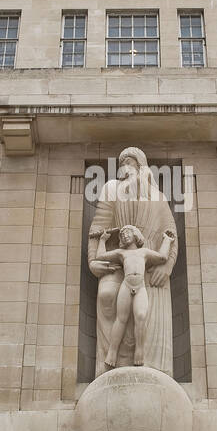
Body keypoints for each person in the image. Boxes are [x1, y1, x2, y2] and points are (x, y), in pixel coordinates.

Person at [87, 147, 178, 377]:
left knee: (142, 313)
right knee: (107, 294)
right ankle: (111, 363)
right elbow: (98, 228)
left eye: (130, 162)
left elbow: (171, 233)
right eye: (122, 163)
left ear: (141, 166)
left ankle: (148, 364)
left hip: (149, 266)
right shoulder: (111, 189)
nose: (125, 167)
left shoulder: (157, 196)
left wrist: (167, 267)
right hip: (119, 262)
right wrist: (92, 260)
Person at [95, 226, 176, 367]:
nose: (125, 236)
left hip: (140, 286)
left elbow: (162, 257)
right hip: (126, 285)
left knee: (140, 316)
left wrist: (167, 241)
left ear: (135, 235)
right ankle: (112, 353)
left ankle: (139, 351)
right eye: (122, 235)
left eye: (128, 233)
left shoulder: (143, 252)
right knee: (121, 318)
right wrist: (102, 240)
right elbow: (100, 256)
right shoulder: (121, 253)